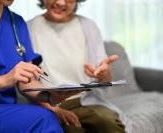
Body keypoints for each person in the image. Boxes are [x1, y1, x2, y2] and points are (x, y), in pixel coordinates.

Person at [0, 0, 81, 132]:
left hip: (6, 110)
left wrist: (50, 96)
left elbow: (27, 82)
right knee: (42, 119)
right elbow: (9, 79)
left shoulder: (16, 22)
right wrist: (4, 80)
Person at [27, 0, 126, 133]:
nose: (61, 3)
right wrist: (53, 110)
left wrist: (103, 74)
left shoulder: (88, 26)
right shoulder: (28, 28)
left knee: (107, 123)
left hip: (86, 100)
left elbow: (104, 77)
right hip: (48, 103)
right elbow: (26, 82)